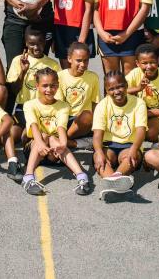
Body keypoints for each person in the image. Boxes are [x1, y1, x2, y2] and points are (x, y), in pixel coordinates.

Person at [21, 68, 92, 196]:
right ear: (37, 86)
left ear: (58, 86)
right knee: (44, 136)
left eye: (53, 86)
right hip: (34, 149)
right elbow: (34, 126)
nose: (49, 89)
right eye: (45, 86)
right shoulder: (29, 105)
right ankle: (28, 178)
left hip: (54, 152)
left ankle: (82, 177)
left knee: (53, 139)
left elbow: (61, 128)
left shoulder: (63, 106)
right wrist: (41, 144)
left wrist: (63, 144)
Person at [92, 71, 148, 202]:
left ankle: (112, 180)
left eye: (120, 86)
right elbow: (97, 135)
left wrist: (134, 149)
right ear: (106, 90)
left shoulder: (139, 103)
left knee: (128, 158)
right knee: (100, 159)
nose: (116, 91)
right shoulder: (102, 105)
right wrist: (99, 152)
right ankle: (118, 184)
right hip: (109, 145)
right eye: (111, 89)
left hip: (129, 145)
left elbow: (141, 130)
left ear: (127, 85)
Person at [7, 28, 61, 143]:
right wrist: (23, 71)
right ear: (26, 43)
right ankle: (29, 133)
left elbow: (57, 92)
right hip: (23, 108)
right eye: (32, 44)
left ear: (45, 43)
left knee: (29, 135)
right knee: (11, 135)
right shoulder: (18, 60)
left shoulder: (53, 64)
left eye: (39, 43)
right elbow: (14, 90)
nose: (36, 47)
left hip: (44, 110)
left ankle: (32, 134)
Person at [125, 43, 159, 143]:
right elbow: (119, 91)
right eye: (144, 63)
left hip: (156, 115)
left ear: (158, 60)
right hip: (137, 114)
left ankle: (156, 142)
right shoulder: (135, 73)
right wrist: (138, 88)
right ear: (137, 63)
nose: (149, 66)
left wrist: (146, 113)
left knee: (152, 133)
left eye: (152, 62)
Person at [55, 42, 100, 147]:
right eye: (79, 60)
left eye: (86, 60)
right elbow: (58, 105)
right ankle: (71, 142)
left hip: (83, 121)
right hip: (65, 119)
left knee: (88, 115)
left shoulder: (93, 77)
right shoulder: (60, 76)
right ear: (69, 59)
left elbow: (95, 103)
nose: (83, 64)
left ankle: (63, 140)